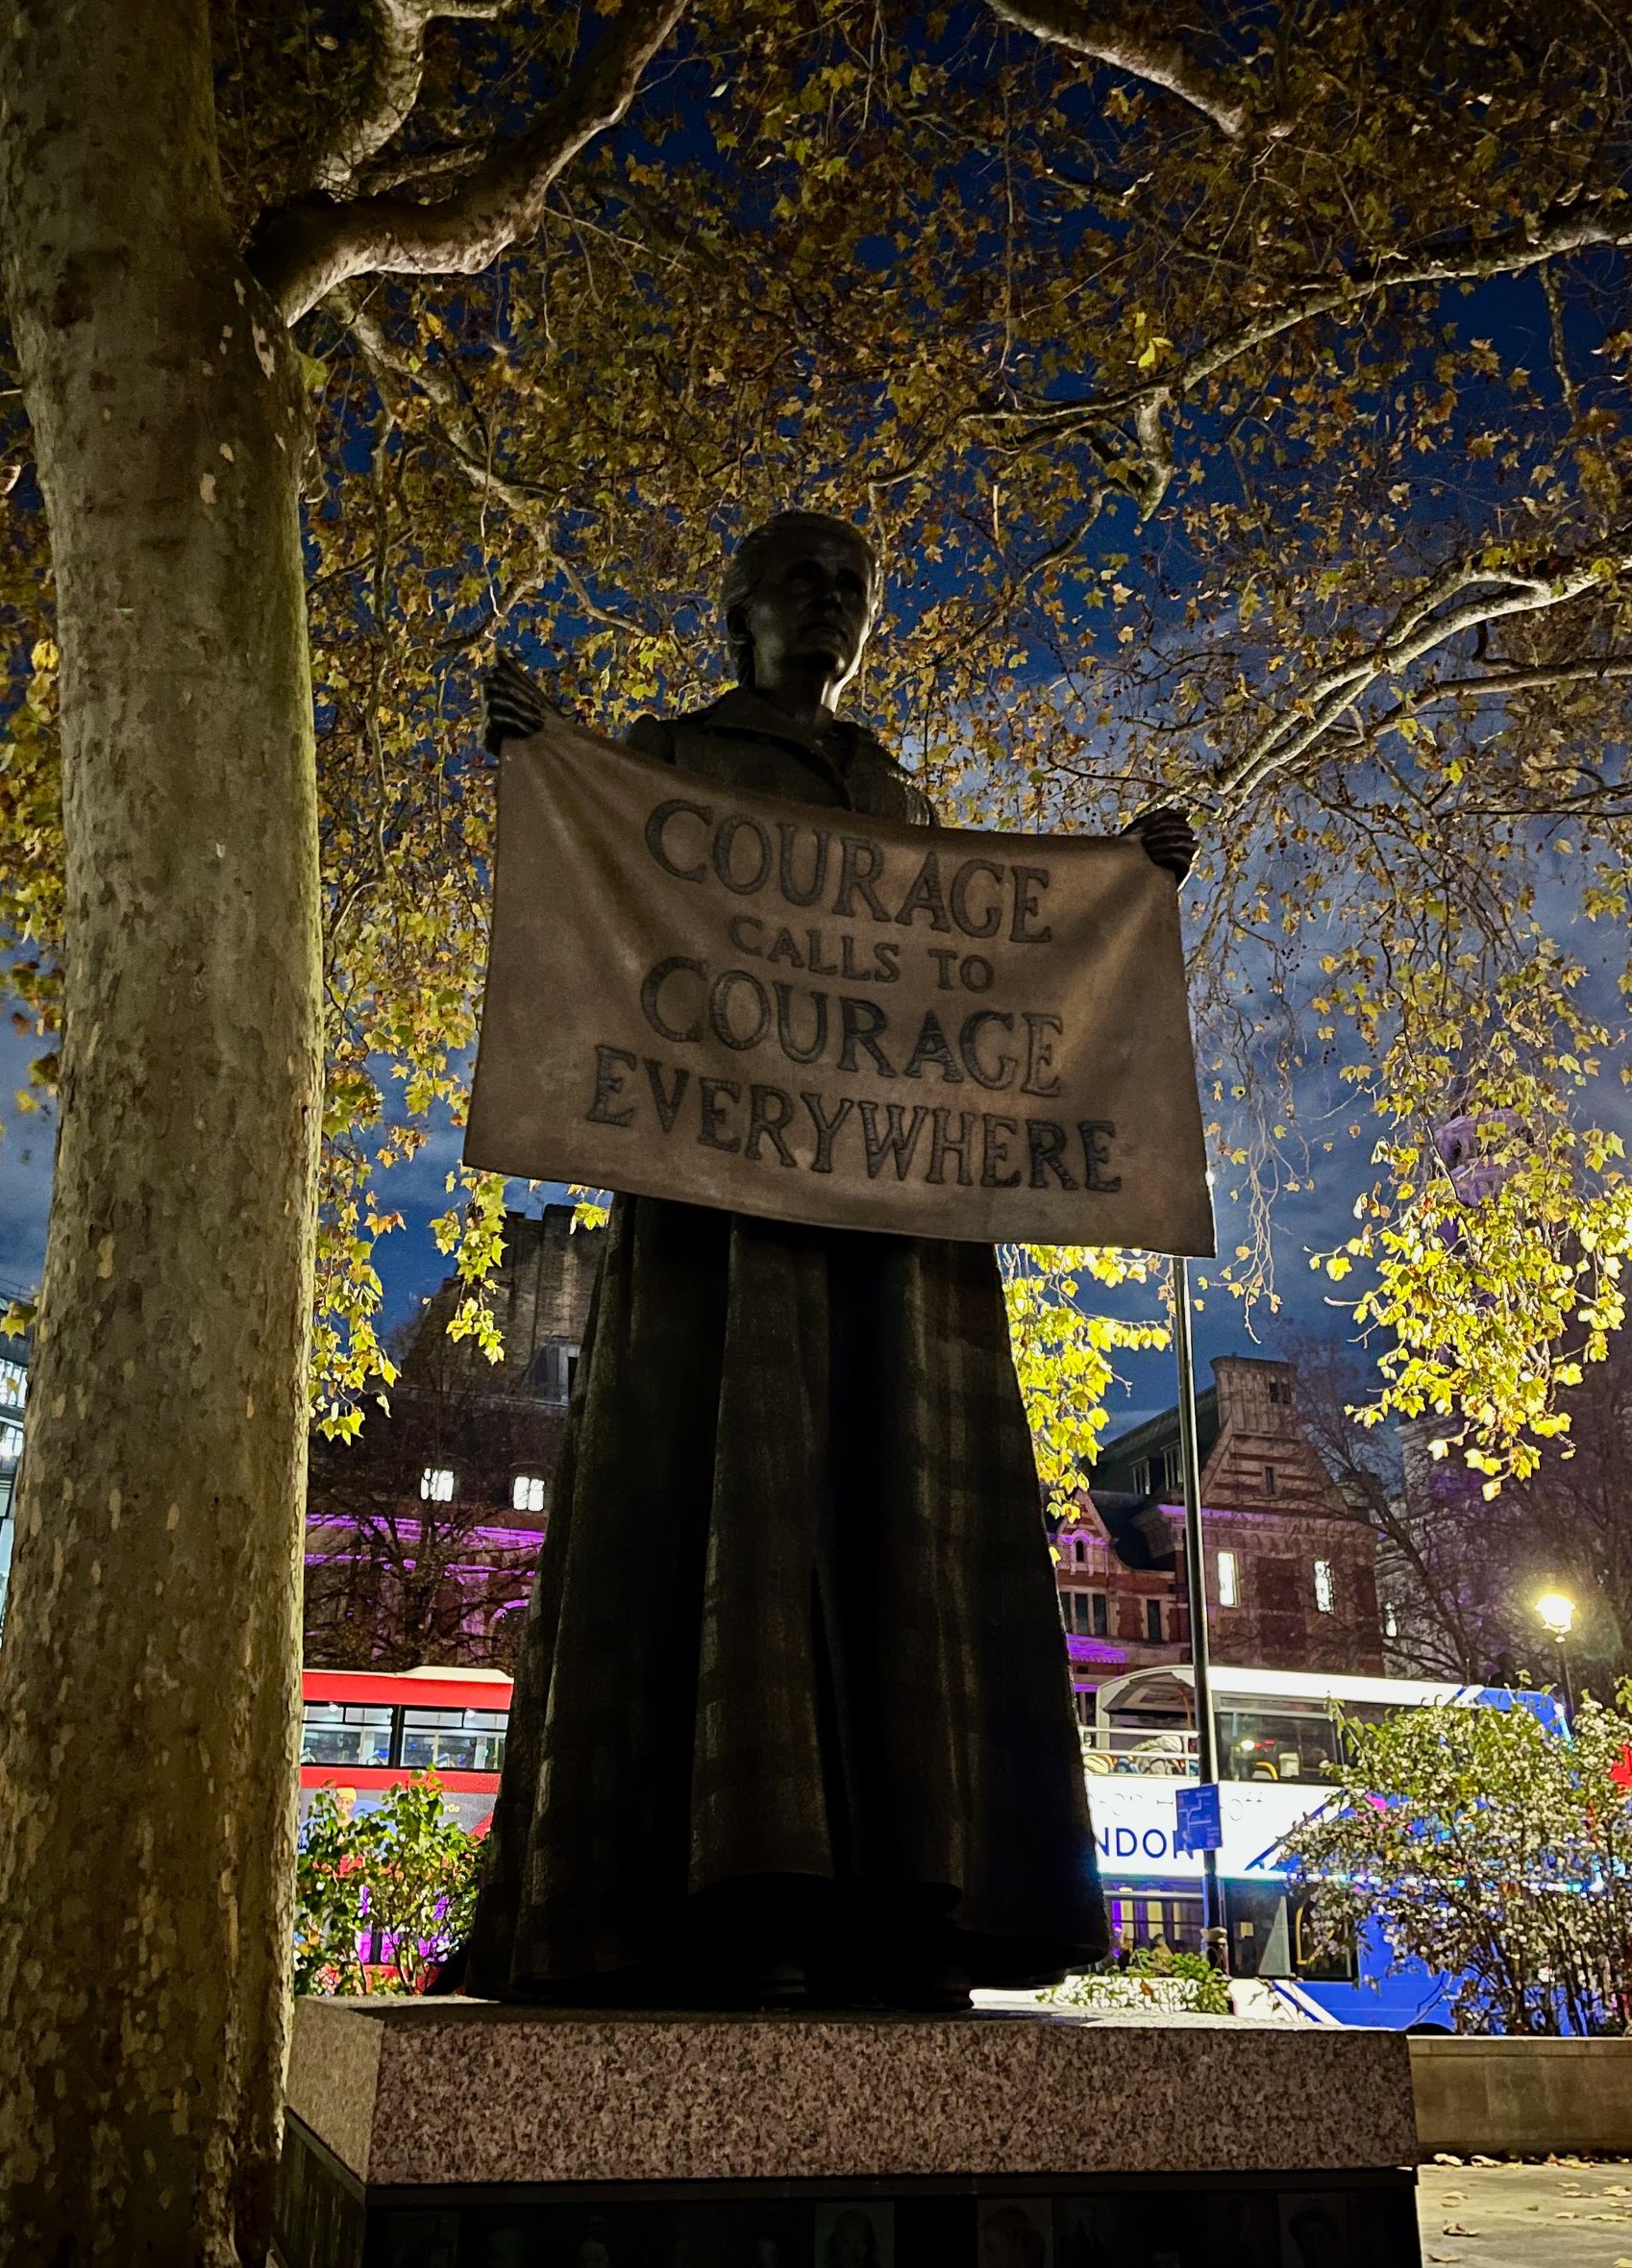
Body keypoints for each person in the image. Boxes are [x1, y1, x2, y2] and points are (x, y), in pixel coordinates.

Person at [462, 508, 1197, 2009]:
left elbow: (983, 982)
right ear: (735, 609)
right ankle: (726, 1897)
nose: (832, 605)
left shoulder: (893, 788)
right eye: (802, 580)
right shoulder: (675, 756)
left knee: (890, 1525)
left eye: (854, 589)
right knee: (732, 1491)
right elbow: (613, 912)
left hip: (897, 1231)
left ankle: (902, 1900)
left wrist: (1120, 891)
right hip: (722, 1213)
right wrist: (552, 764)